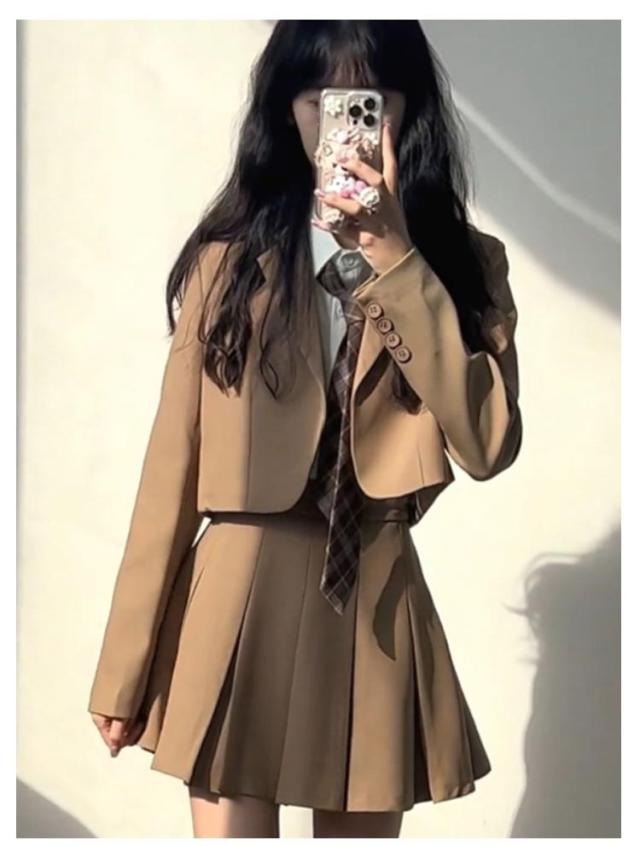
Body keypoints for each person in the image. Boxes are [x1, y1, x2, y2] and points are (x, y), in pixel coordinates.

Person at [87, 20, 523, 839]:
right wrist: (125, 664)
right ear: (285, 109)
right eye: (320, 98)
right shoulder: (228, 261)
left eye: (367, 98)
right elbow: (170, 467)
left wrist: (397, 262)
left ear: (406, 109)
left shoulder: (465, 265)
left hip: (374, 586)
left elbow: (488, 443)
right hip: (236, 587)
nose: (341, 120)